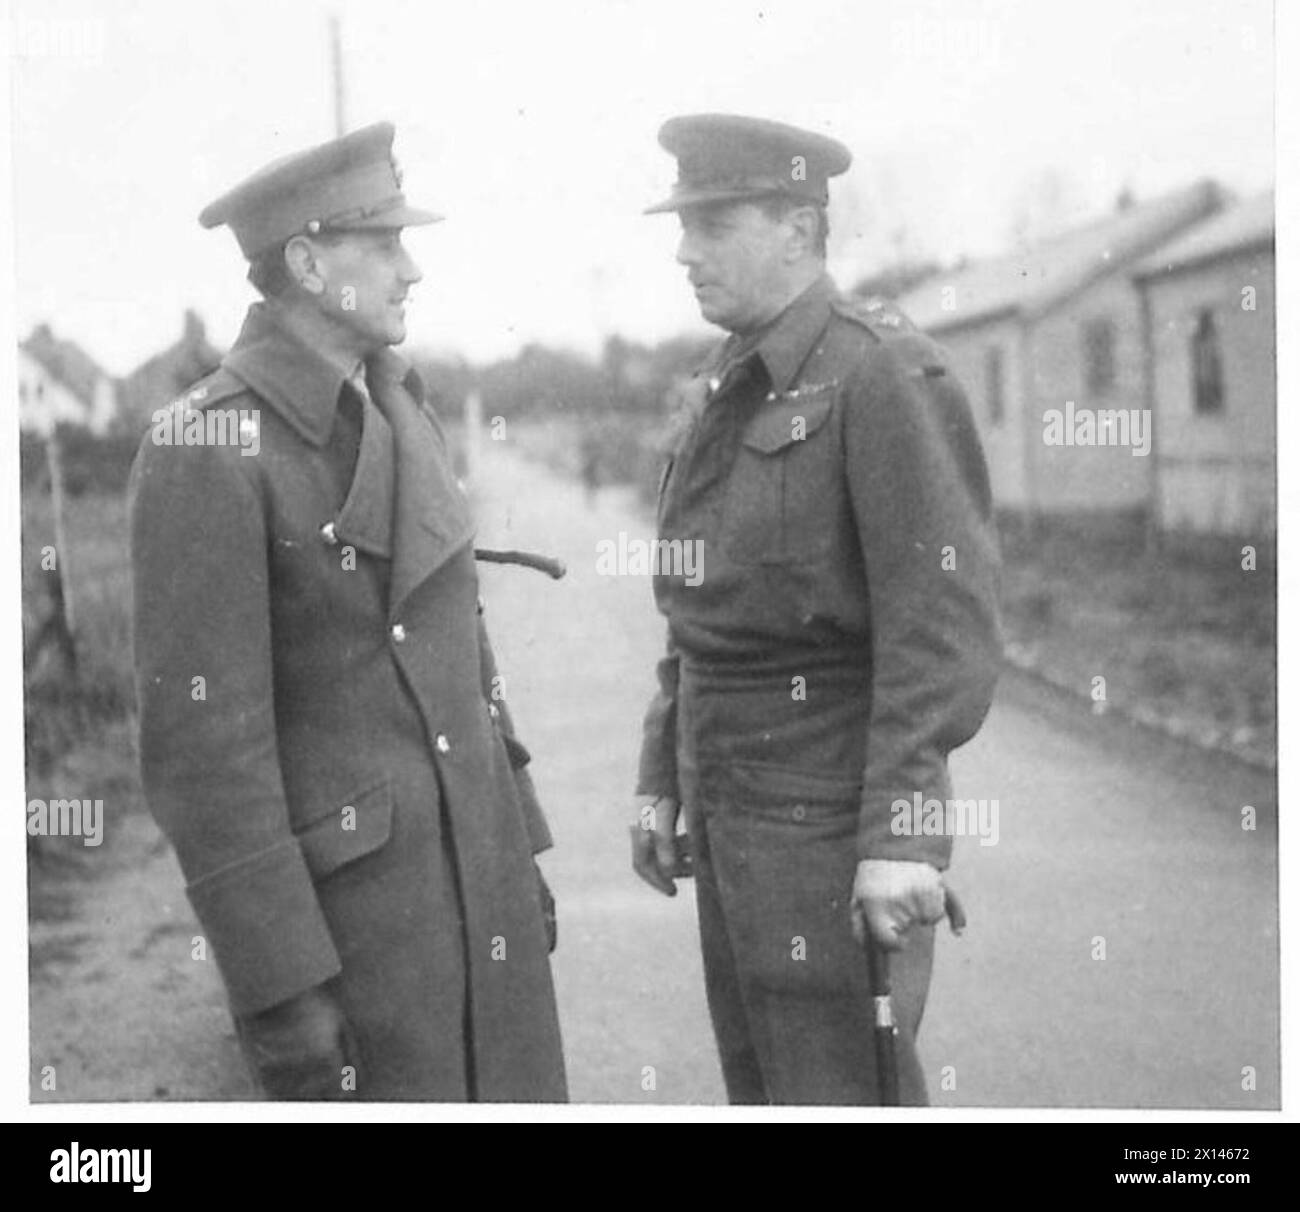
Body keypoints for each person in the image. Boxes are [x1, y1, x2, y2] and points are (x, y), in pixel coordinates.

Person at [129, 122, 565, 1101]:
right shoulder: (206, 447)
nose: (411, 270)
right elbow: (206, 755)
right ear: (308, 262)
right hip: (362, 932)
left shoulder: (403, 406)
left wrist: (518, 848)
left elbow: (468, 659)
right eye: (385, 246)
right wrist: (280, 986)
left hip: (479, 888)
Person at [630, 113, 1001, 1104]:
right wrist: (660, 774)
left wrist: (899, 841)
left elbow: (941, 628)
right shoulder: (723, 383)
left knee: (840, 1092)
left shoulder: (879, 372)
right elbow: (699, 611)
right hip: (731, 814)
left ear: (798, 226)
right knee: (765, 1091)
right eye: (684, 224)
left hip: (830, 828)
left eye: (713, 223)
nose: (683, 249)